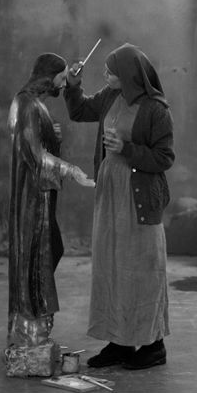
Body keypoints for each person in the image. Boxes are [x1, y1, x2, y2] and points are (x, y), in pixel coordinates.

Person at [63, 43, 174, 370]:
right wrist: (73, 84)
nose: (105, 74)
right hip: (111, 196)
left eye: (111, 70)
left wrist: (127, 148)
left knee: (142, 271)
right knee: (112, 266)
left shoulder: (156, 110)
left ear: (128, 74)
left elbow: (164, 158)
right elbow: (79, 111)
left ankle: (153, 346)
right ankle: (120, 341)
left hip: (139, 200)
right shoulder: (111, 96)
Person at [6, 52, 94, 356]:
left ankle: (34, 328)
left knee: (47, 252)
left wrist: (53, 136)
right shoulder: (28, 104)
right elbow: (34, 155)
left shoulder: (33, 104)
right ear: (48, 76)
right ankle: (32, 331)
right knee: (38, 257)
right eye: (60, 77)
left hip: (40, 194)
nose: (62, 84)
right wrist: (73, 171)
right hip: (33, 197)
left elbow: (40, 145)